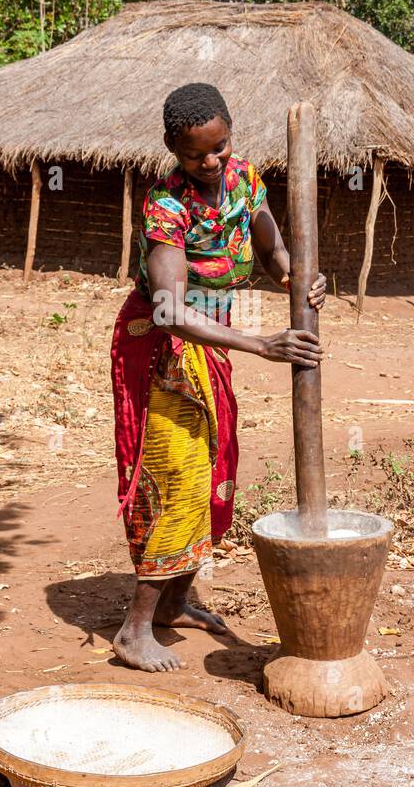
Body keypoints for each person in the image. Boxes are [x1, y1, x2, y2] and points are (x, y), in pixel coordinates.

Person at [110, 82, 326, 672]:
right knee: (175, 473)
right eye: (194, 154)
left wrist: (297, 277)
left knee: (211, 469)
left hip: (213, 345)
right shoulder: (167, 205)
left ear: (230, 134)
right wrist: (261, 343)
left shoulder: (247, 181)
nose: (210, 163)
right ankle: (133, 631)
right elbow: (170, 310)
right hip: (163, 349)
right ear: (171, 148)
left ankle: (175, 603)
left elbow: (273, 246)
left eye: (220, 147)